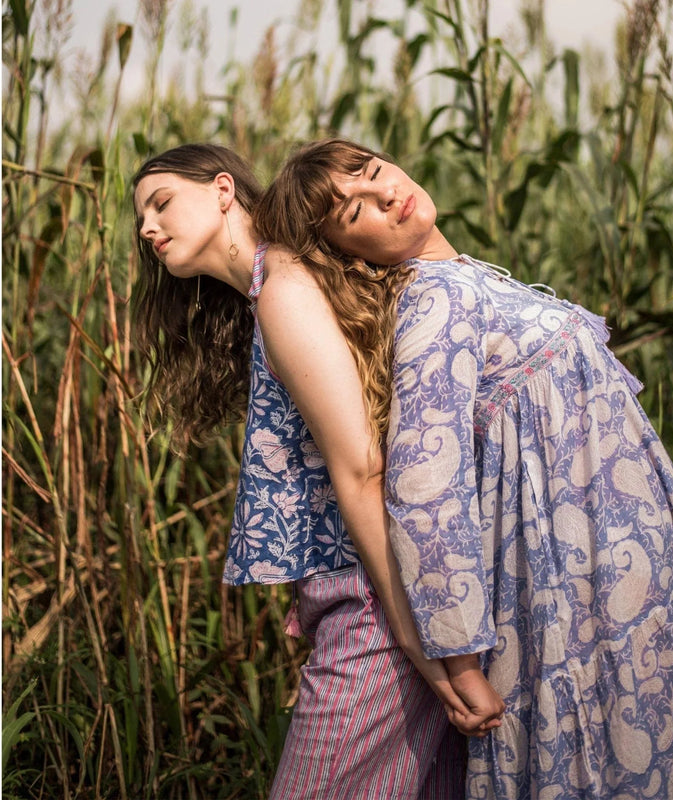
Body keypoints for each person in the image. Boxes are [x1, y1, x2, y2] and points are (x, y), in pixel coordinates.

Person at [254, 137, 673, 799]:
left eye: (372, 173)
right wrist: (458, 662)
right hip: (579, 576)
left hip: (618, 558)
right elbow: (426, 485)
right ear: (347, 252)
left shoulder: (469, 278)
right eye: (353, 212)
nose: (382, 194)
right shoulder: (431, 300)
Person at [131, 143, 505, 800]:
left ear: (223, 189)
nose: (147, 229)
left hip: (382, 603)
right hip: (391, 591)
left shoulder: (285, 285)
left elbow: (364, 467)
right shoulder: (286, 281)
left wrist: (424, 646)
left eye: (160, 203)